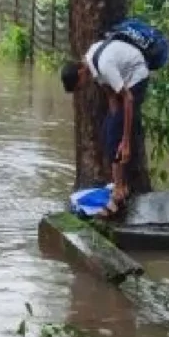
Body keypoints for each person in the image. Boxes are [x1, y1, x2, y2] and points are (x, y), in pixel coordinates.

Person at [60, 37, 150, 218]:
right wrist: (114, 120)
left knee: (116, 134)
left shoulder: (104, 66)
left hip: (137, 76)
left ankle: (119, 192)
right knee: (108, 130)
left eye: (79, 86)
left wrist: (125, 140)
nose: (82, 89)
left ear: (81, 71)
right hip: (124, 82)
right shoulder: (93, 64)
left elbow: (129, 98)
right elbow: (111, 97)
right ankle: (120, 185)